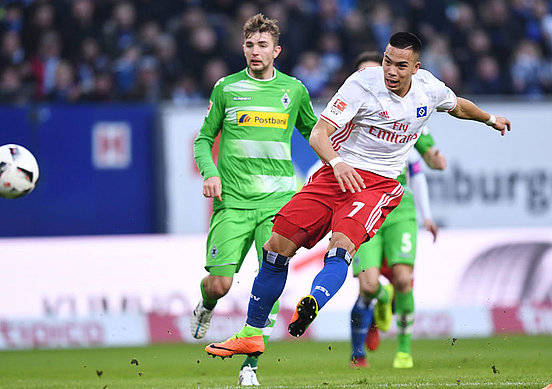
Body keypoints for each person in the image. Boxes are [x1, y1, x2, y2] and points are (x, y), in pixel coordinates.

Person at [205, 32, 510, 362]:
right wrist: (336, 163)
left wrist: (491, 120)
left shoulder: (428, 88)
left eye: (400, 66)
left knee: (341, 247)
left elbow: (459, 106)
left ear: (416, 68)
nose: (391, 71)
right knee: (275, 250)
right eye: (387, 62)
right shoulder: (362, 84)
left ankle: (314, 302)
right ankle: (251, 334)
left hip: (378, 185)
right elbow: (320, 133)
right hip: (335, 174)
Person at [191, 13, 318, 386]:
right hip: (233, 202)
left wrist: (339, 163)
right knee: (219, 283)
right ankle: (207, 306)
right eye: (249, 45)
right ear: (242, 48)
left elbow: (315, 133)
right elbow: (203, 140)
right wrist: (211, 173)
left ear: (277, 50)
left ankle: (250, 367)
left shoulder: (293, 91)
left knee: (270, 278)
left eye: (262, 45)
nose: (255, 51)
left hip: (278, 202)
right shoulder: (226, 89)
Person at [346, 52, 445, 370]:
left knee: (404, 279)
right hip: (362, 207)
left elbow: (420, 163)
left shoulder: (406, 113)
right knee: (369, 286)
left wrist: (426, 211)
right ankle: (364, 335)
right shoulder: (347, 114)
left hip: (398, 208)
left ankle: (403, 351)